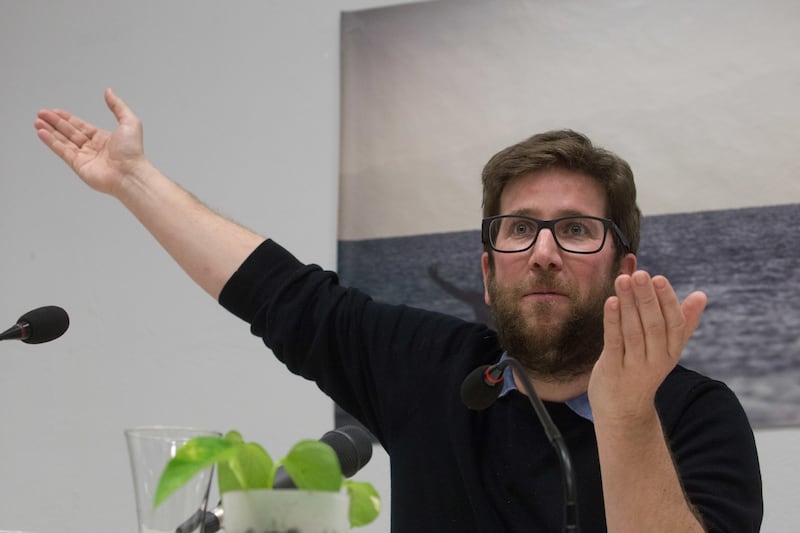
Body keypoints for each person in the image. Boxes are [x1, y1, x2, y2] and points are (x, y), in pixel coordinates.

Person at [34, 89, 762, 532]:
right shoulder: (434, 370)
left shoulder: (699, 414)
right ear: (487, 266)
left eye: (574, 228)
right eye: (519, 228)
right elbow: (278, 292)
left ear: (623, 269)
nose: (543, 251)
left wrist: (629, 413)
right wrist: (132, 179)